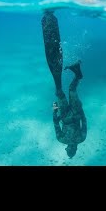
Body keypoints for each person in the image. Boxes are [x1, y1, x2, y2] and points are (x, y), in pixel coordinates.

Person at [41, 10, 87, 158]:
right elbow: (55, 123)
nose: (67, 148)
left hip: (74, 114)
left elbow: (84, 120)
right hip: (67, 115)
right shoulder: (61, 139)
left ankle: (78, 74)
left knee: (71, 90)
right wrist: (55, 110)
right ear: (69, 149)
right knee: (60, 91)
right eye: (68, 150)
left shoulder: (82, 138)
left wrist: (79, 110)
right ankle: (77, 73)